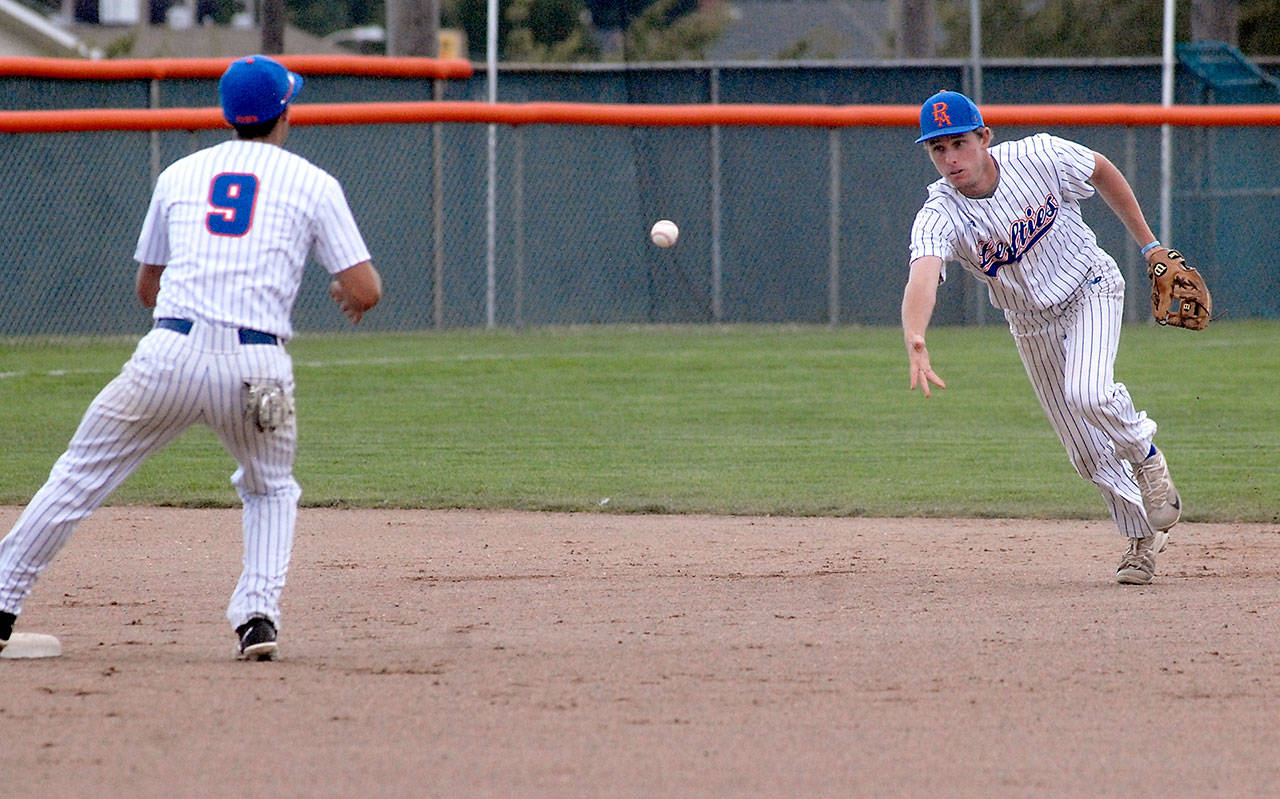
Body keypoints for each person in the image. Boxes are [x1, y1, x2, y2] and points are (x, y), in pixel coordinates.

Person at [0, 55, 382, 659]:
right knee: (270, 490)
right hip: (257, 369)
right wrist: (342, 291)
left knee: (77, 478)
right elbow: (365, 291)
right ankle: (257, 617)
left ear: (229, 114)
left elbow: (148, 289)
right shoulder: (313, 182)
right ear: (285, 110)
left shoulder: (179, 173)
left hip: (169, 352)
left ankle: (1, 600)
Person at [901, 90, 1182, 586]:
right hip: (1029, 322)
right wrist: (915, 334)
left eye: (959, 143)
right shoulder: (940, 211)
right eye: (937, 149)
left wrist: (1151, 246)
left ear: (984, 137)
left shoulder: (1038, 156)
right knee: (1085, 452)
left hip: (1088, 287)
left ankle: (1147, 457)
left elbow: (1101, 170)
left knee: (1088, 392)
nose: (950, 159)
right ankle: (1143, 538)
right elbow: (923, 272)